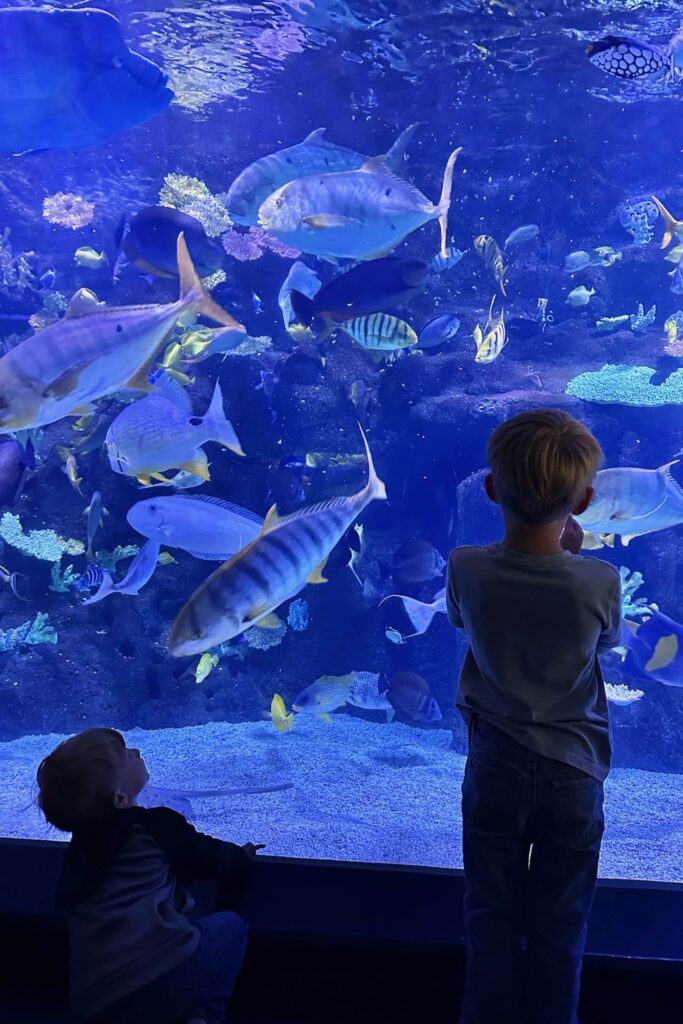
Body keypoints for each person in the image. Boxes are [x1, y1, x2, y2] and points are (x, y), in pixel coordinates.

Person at [446, 409, 623, 1024]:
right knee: (561, 919)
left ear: (492, 489)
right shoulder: (599, 579)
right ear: (585, 498)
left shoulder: (466, 565)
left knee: (489, 913)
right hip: (575, 768)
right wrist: (570, 556)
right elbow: (601, 647)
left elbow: (463, 623)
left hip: (494, 758)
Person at [36, 727, 264, 1024]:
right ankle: (204, 1013)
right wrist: (241, 854)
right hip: (165, 967)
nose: (137, 752)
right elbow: (209, 857)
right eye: (127, 754)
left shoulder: (79, 848)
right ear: (119, 797)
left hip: (89, 997)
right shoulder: (156, 825)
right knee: (231, 927)